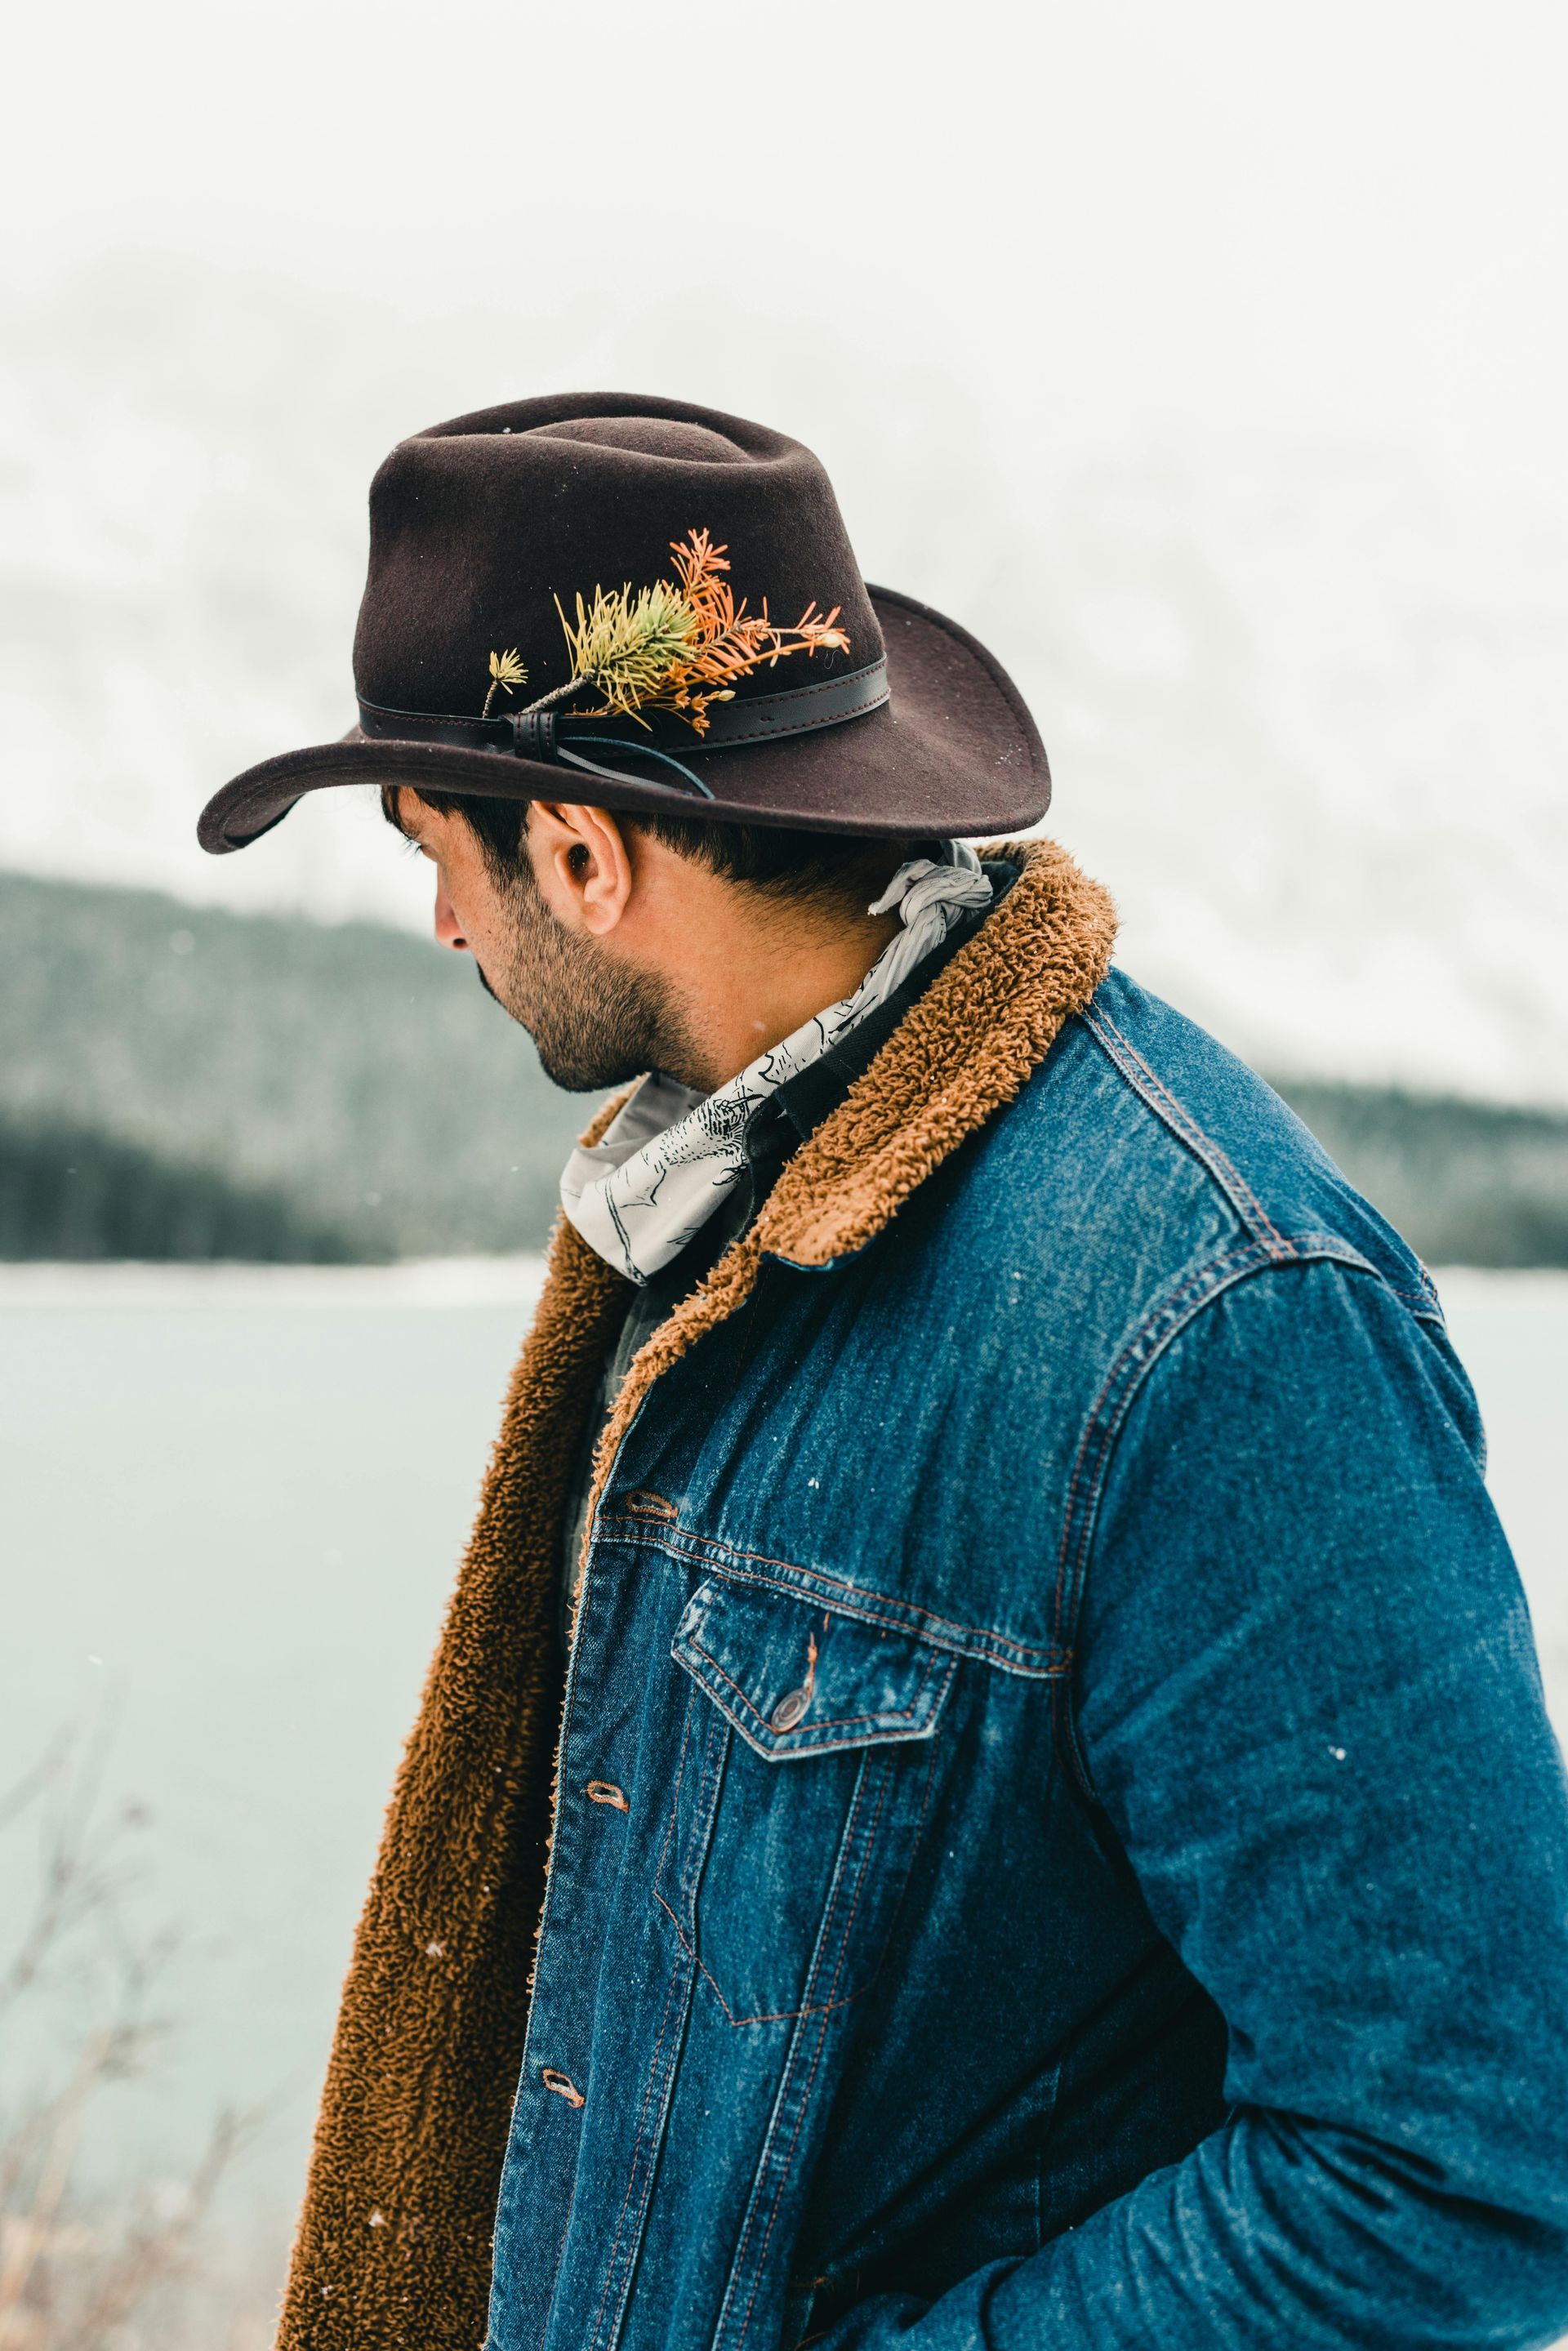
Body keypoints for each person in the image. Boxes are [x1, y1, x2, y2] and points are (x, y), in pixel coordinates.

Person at [198, 395, 1568, 2351]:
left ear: (583, 853)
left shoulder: (1219, 1318)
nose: (438, 925)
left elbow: (1471, 2165)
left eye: (441, 851)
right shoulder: (718, 1209)